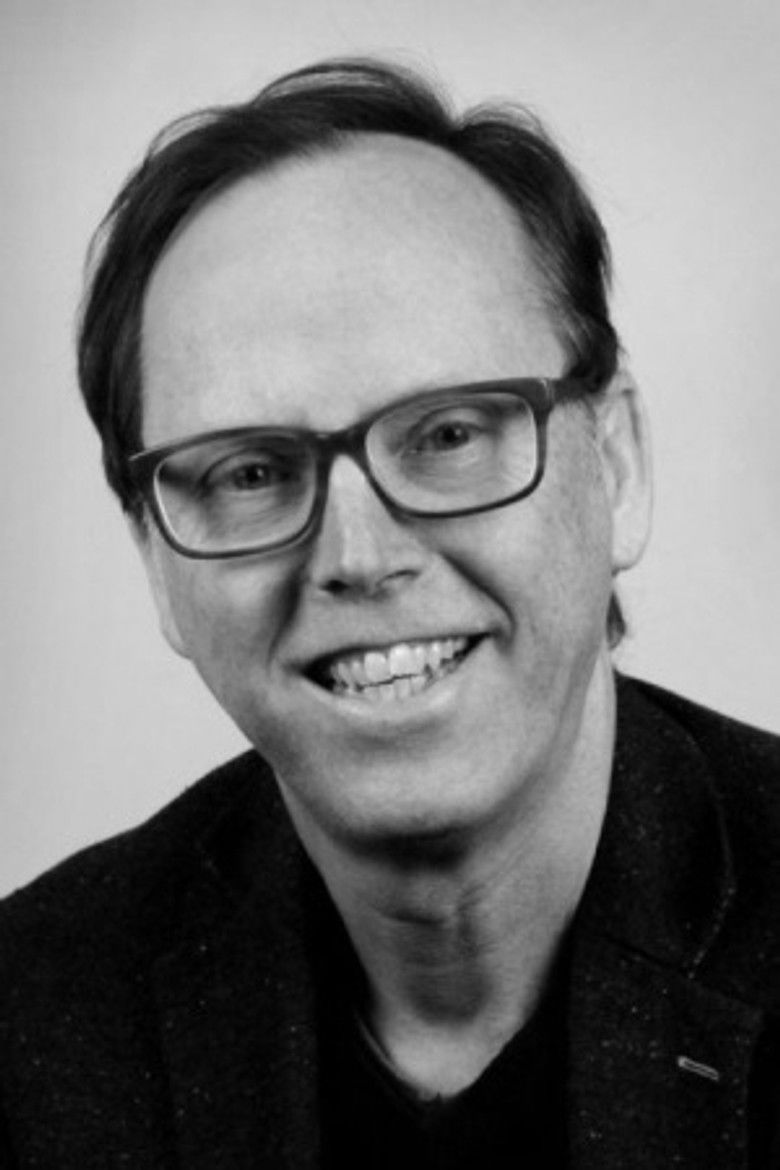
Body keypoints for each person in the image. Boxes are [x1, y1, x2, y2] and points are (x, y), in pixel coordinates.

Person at [1, 57, 778, 1169]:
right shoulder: (35, 1017)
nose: (357, 559)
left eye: (449, 435)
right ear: (156, 563)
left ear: (617, 465)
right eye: (251, 473)